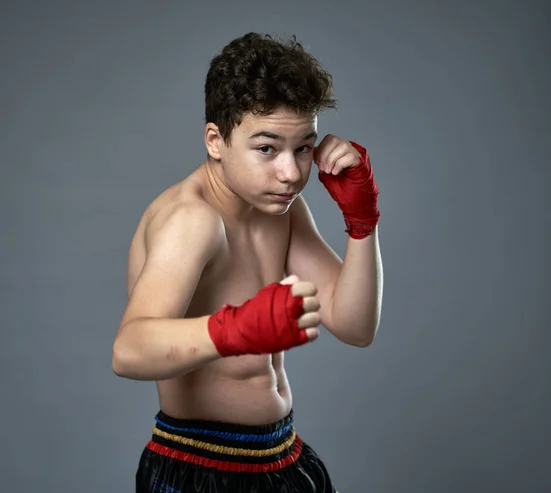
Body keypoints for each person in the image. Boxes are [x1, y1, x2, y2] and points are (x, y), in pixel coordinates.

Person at [112, 32, 383, 493]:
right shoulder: (192, 220)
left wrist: (362, 222)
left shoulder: (285, 209)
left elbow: (355, 326)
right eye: (267, 148)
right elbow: (129, 350)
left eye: (302, 148)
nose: (292, 172)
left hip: (284, 455)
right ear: (216, 141)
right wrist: (232, 331)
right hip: (201, 466)